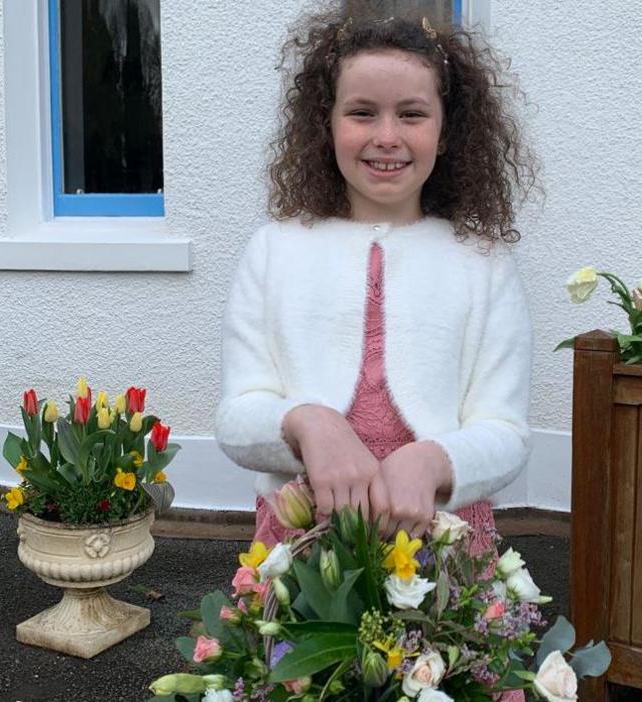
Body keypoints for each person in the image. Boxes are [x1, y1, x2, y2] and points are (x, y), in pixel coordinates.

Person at [215, 3, 537, 561]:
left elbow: (505, 432)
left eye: (411, 114)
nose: (386, 136)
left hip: (441, 546)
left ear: (446, 129)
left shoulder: (483, 263)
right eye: (362, 113)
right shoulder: (275, 250)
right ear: (327, 123)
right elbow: (237, 417)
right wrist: (306, 423)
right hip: (305, 548)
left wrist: (434, 461)